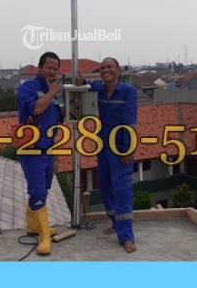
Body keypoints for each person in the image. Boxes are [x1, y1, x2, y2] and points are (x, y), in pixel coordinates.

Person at [78, 57, 138, 253]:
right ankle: (115, 223)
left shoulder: (128, 92)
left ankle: (126, 237)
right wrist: (81, 81)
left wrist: (127, 150)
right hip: (103, 146)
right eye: (102, 68)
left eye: (109, 67)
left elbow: (130, 123)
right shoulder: (100, 89)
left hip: (121, 147)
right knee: (105, 186)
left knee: (122, 190)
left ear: (118, 70)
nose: (105, 70)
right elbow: (87, 85)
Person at [17, 51, 63, 256]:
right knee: (37, 191)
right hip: (31, 148)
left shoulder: (55, 92)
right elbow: (35, 110)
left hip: (48, 148)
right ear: (40, 68)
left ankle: (32, 225)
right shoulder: (28, 88)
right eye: (49, 67)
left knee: (43, 188)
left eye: (55, 69)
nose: (52, 71)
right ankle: (44, 236)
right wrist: (52, 93)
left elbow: (59, 117)